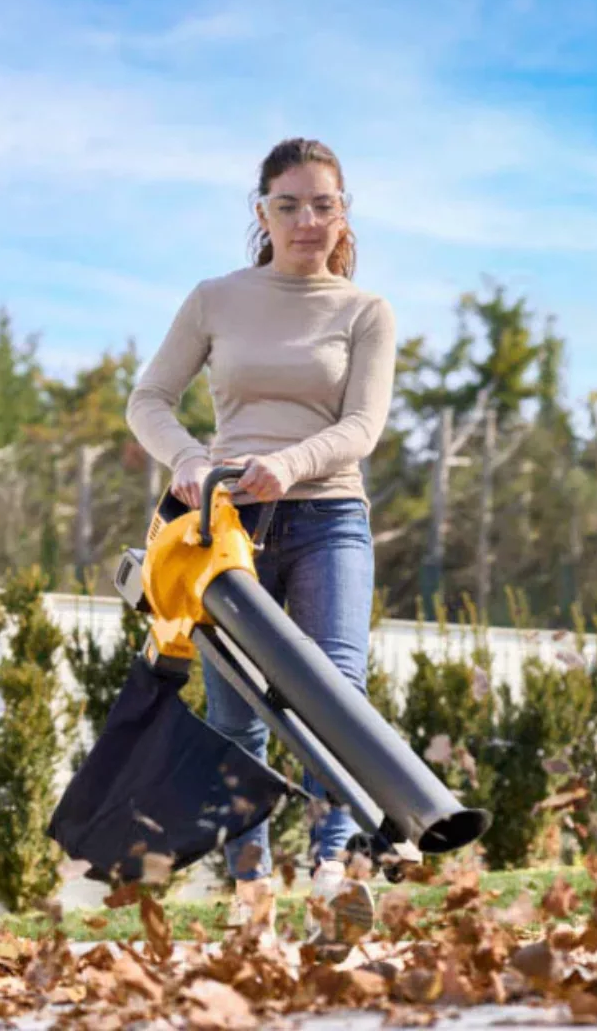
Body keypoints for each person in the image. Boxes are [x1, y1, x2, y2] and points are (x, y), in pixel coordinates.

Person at [124, 137, 395, 945]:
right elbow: (150, 399)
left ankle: (333, 876)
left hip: (327, 517)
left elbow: (363, 426)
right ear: (262, 213)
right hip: (224, 528)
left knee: (334, 691)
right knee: (237, 715)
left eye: (324, 204)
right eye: (290, 204)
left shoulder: (365, 311)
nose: (308, 220)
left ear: (343, 213)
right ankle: (250, 892)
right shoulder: (216, 299)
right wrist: (191, 459)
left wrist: (290, 463)